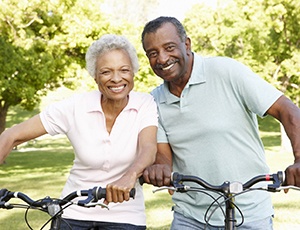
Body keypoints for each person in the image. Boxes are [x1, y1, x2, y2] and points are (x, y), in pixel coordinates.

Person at [141, 16, 300, 230]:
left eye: (169, 47)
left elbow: (287, 111)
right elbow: (163, 156)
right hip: (190, 217)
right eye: (152, 53)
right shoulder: (154, 101)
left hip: (250, 212)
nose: (162, 58)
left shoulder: (226, 71)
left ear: (186, 44)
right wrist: (159, 170)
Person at [0, 34, 158, 229]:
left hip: (126, 215)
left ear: (133, 72)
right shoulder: (75, 107)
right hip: (73, 211)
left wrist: (130, 175)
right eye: (106, 72)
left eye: (124, 70)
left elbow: (148, 148)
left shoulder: (145, 103)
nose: (116, 78)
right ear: (95, 77)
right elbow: (11, 135)